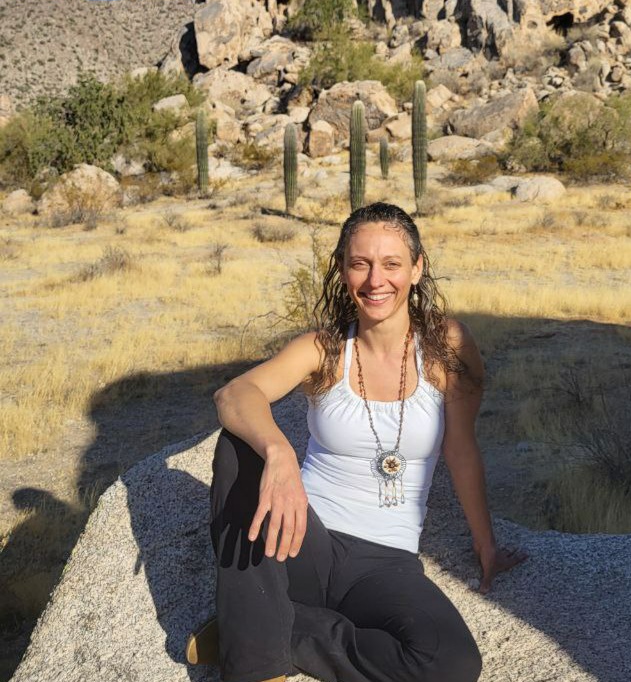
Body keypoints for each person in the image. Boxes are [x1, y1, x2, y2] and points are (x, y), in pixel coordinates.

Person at [188, 201, 528, 682]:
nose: (375, 281)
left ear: (416, 268)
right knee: (239, 446)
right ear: (343, 270)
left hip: (384, 561)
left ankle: (264, 627)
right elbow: (234, 394)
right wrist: (279, 453)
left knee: (450, 665)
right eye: (360, 263)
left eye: (391, 264)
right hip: (300, 538)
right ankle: (256, 667)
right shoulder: (323, 349)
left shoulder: (449, 345)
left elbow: (461, 450)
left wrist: (485, 545)